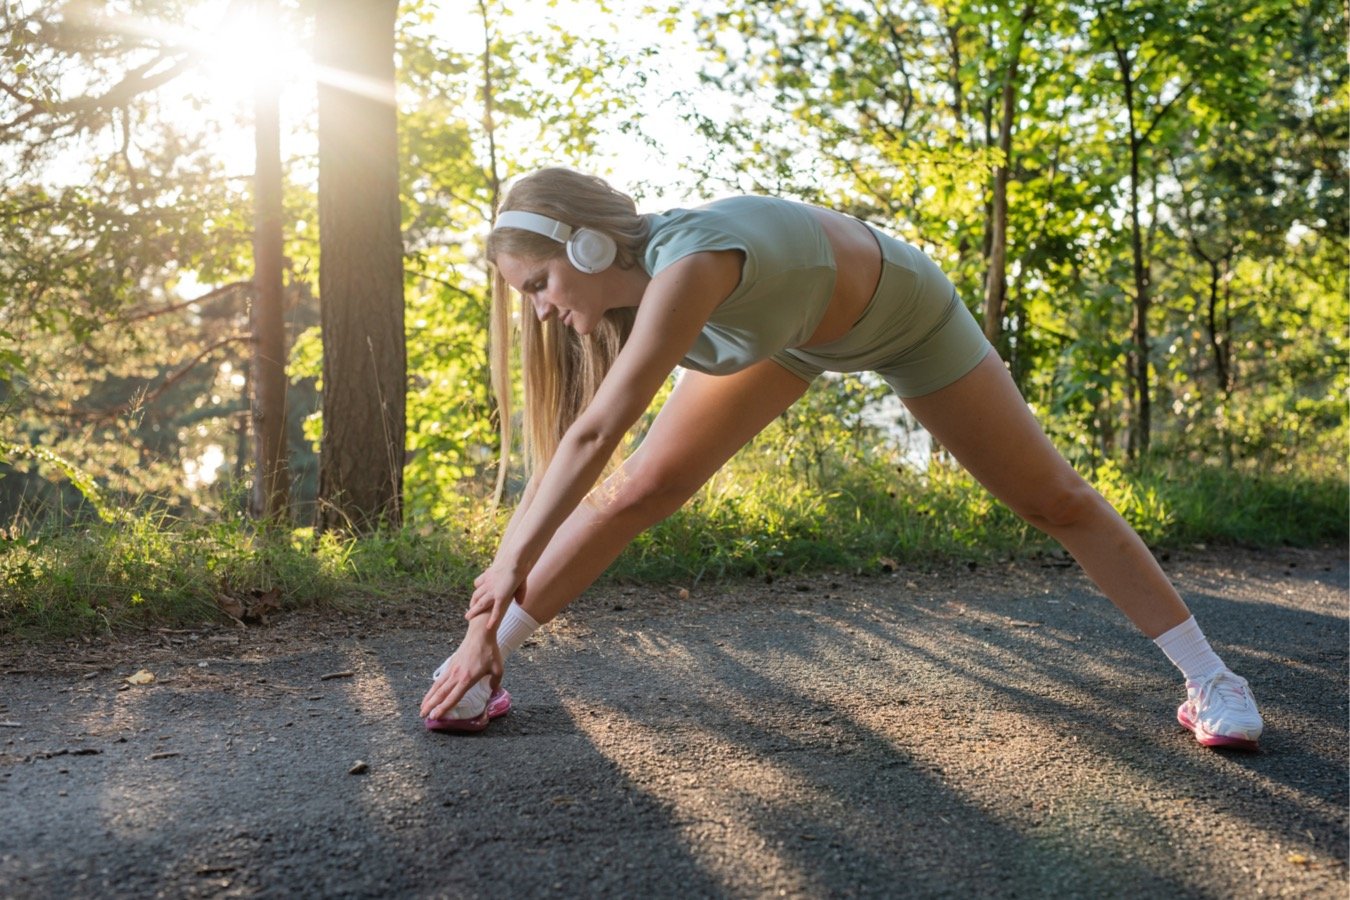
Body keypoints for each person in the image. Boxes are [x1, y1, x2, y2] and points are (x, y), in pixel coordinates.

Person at [418, 167, 1264, 750]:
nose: (537, 311)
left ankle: (1213, 681)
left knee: (1054, 500)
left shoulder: (691, 264)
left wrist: (495, 581)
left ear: (592, 248)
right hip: (793, 340)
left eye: (537, 285)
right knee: (645, 489)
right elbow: (607, 460)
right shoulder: (648, 292)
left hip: (906, 317)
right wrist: (483, 634)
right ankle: (487, 672)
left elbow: (594, 434)